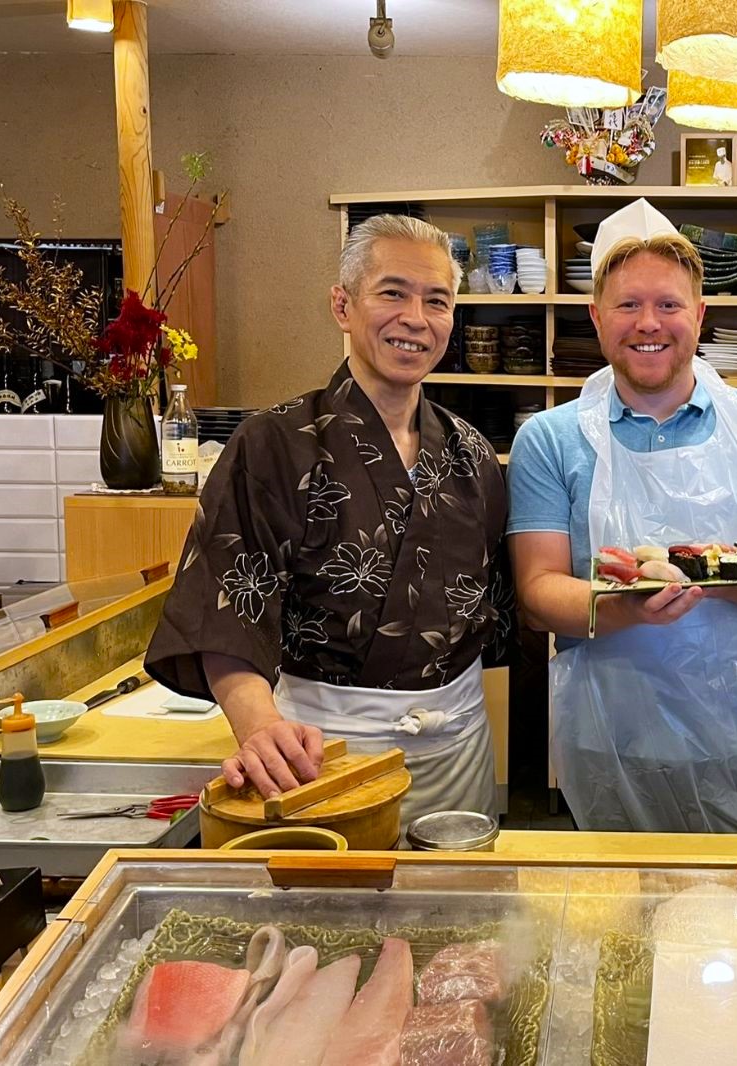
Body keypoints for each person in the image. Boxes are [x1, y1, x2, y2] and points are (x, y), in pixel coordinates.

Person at [146, 213, 513, 824]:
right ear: (342, 305)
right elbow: (226, 607)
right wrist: (259, 726)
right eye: (392, 293)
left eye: (437, 301)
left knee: (455, 913)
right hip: (323, 752)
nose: (415, 319)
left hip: (456, 752)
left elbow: (493, 616)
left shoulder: (472, 452)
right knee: (331, 913)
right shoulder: (272, 443)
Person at [508, 198, 737, 833]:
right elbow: (538, 589)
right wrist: (621, 605)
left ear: (701, 314)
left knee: (736, 924)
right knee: (616, 921)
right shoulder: (549, 439)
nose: (647, 323)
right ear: (596, 317)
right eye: (628, 305)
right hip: (607, 732)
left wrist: (724, 578)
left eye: (668, 304)